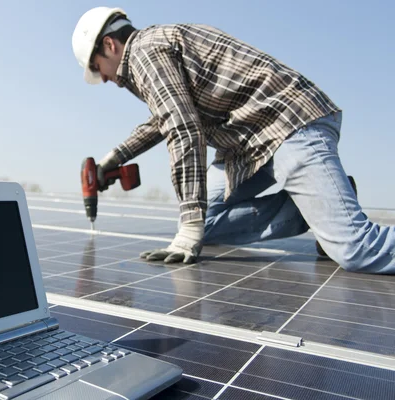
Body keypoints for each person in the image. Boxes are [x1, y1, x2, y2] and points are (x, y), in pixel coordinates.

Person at [71, 6, 395, 274]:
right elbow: (167, 117)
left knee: (356, 249)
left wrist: (189, 230)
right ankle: (314, 207)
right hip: (248, 145)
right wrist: (113, 158)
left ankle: (330, 212)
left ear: (110, 45)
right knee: (203, 222)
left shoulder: (144, 53)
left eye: (99, 69)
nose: (108, 81)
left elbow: (183, 129)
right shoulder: (154, 48)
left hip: (289, 125)